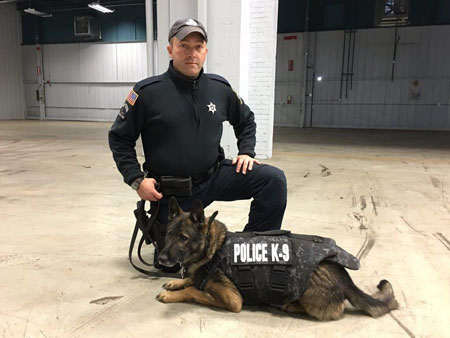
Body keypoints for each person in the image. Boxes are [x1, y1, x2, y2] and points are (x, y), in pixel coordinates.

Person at [108, 18, 287, 268]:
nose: (192, 54)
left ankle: (251, 251)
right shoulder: (148, 92)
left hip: (214, 177)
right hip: (171, 192)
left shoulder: (219, 88)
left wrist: (246, 150)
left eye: (198, 47)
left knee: (273, 180)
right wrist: (136, 179)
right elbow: (119, 137)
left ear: (205, 51)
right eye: (184, 46)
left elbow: (246, 120)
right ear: (170, 49)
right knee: (171, 264)